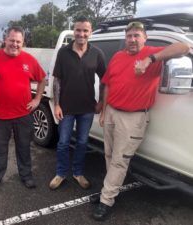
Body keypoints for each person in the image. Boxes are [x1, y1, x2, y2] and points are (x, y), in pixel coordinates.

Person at [92, 21, 190, 221]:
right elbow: (108, 83)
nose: (133, 39)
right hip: (111, 112)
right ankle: (109, 191)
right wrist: (104, 109)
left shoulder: (153, 54)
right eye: (129, 36)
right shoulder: (118, 57)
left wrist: (149, 60)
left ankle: (106, 200)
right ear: (125, 39)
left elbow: (184, 47)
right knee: (109, 156)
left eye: (137, 35)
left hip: (133, 118)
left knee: (119, 161)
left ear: (145, 38)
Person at [0, 26, 46, 192]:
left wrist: (37, 99)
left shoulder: (29, 60)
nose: (15, 44)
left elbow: (42, 79)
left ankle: (26, 175)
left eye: (18, 41)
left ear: (23, 42)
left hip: (23, 114)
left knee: (24, 147)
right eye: (12, 40)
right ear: (5, 40)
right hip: (0, 115)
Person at [49, 16, 106, 190]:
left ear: (90, 32)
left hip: (87, 108)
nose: (81, 34)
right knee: (63, 142)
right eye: (78, 30)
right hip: (66, 108)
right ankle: (60, 173)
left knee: (82, 143)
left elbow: (105, 79)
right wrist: (57, 104)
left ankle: (78, 173)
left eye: (85, 30)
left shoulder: (97, 53)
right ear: (74, 31)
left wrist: (102, 101)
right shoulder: (63, 52)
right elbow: (57, 80)